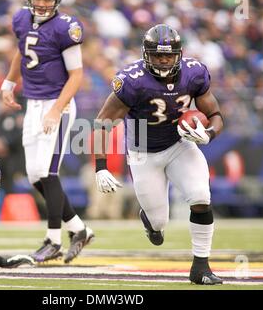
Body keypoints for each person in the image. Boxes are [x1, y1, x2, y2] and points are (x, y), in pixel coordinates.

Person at [93, 24, 224, 285]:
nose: (163, 60)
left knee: (200, 195)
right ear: (146, 55)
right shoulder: (132, 80)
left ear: (179, 54)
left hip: (180, 145)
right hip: (143, 153)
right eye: (157, 55)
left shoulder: (194, 73)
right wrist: (101, 167)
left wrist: (209, 134)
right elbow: (102, 123)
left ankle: (201, 266)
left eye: (168, 55)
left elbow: (215, 116)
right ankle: (150, 221)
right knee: (159, 222)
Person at [0, 0, 94, 263]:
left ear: (56, 1)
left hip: (58, 104)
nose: (42, 4)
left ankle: (53, 240)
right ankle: (79, 229)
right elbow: (22, 50)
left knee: (46, 171)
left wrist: (56, 110)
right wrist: (9, 81)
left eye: (47, 0)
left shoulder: (66, 27)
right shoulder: (20, 19)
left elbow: (76, 75)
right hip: (33, 102)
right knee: (34, 175)